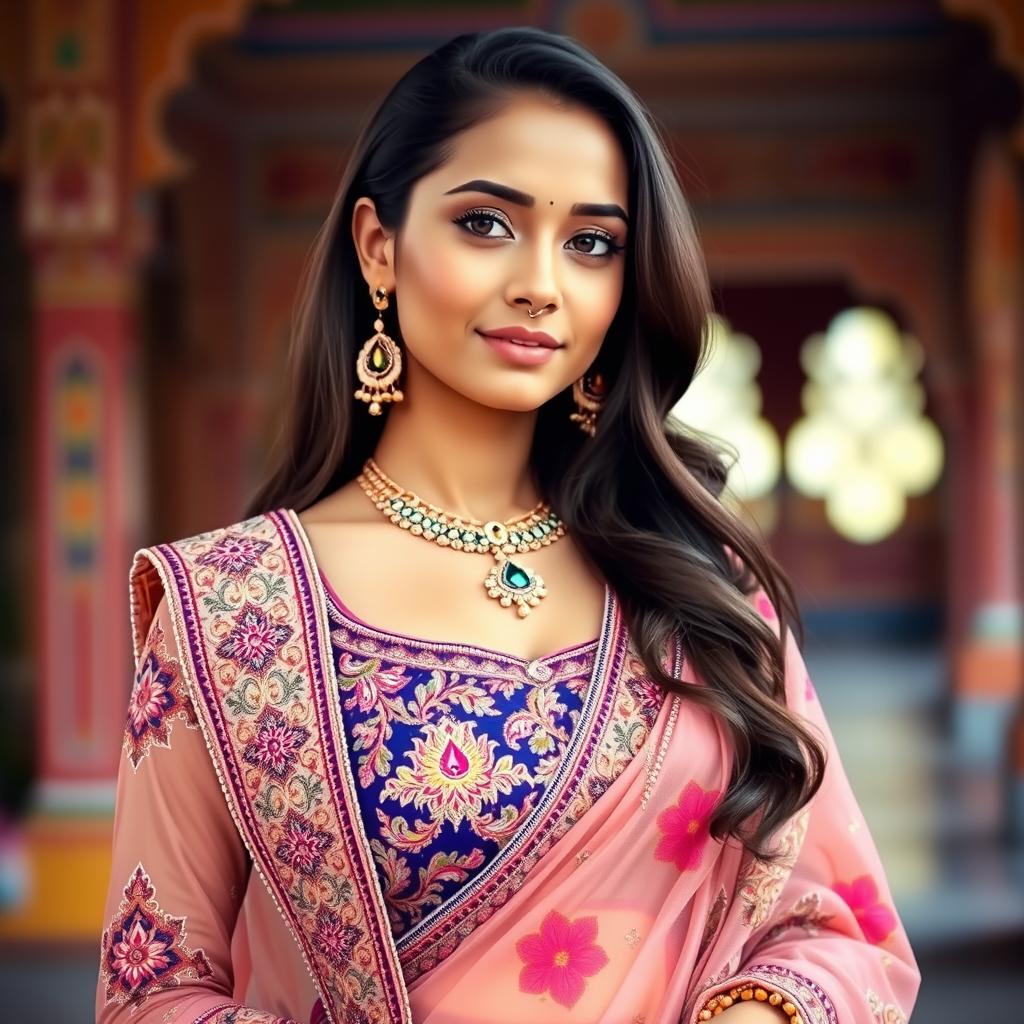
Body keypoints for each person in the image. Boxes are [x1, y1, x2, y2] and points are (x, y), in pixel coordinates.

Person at [95, 26, 920, 1024]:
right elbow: (155, 995)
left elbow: (841, 932)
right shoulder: (229, 610)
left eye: (591, 242)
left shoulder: (699, 584)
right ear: (378, 246)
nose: (541, 280)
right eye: (487, 223)